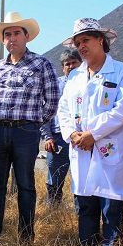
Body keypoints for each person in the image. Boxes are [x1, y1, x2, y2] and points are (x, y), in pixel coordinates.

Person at [0, 12, 60, 246]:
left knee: (25, 184)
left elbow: (52, 100)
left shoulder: (41, 64)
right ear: (3, 40)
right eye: (7, 35)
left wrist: (34, 122)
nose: (11, 38)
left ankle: (26, 236)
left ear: (26, 37)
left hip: (25, 132)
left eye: (16, 33)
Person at [57, 19, 123, 246]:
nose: (81, 46)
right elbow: (64, 110)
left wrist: (93, 134)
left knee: (111, 203)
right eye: (78, 43)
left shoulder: (121, 72)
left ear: (101, 40)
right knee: (85, 202)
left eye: (86, 40)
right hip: (81, 148)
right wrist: (71, 134)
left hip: (108, 148)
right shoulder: (75, 77)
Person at [42, 48, 81, 205]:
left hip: (82, 137)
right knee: (54, 176)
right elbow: (44, 111)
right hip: (58, 138)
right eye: (67, 64)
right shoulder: (55, 85)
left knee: (81, 177)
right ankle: (53, 208)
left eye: (74, 63)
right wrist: (47, 136)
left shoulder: (89, 83)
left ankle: (80, 211)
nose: (71, 66)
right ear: (62, 67)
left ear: (81, 63)